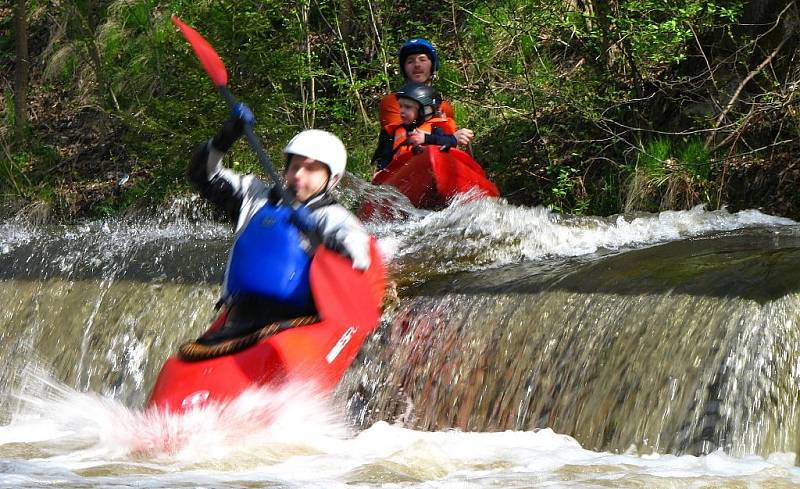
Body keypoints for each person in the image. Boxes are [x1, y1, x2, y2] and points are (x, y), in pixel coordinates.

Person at [188, 104, 371, 343]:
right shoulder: (253, 197)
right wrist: (226, 136)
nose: (298, 175)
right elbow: (202, 175)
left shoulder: (333, 216)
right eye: (295, 166)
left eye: (311, 170)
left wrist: (316, 234)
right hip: (240, 319)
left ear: (332, 179)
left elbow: (358, 256)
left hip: (295, 325)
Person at [371, 38, 473, 167]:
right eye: (410, 61)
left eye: (422, 59)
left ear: (432, 66)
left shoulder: (444, 107)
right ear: (404, 69)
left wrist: (457, 138)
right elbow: (405, 137)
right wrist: (451, 139)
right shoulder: (393, 101)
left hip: (437, 161)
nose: (417, 65)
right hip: (402, 165)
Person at [372, 82, 458, 168]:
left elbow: (451, 142)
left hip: (425, 173)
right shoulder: (395, 132)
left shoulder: (434, 129)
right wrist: (381, 170)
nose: (401, 110)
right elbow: (384, 157)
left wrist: (426, 138)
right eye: (400, 106)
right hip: (399, 175)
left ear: (425, 110)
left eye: (408, 107)